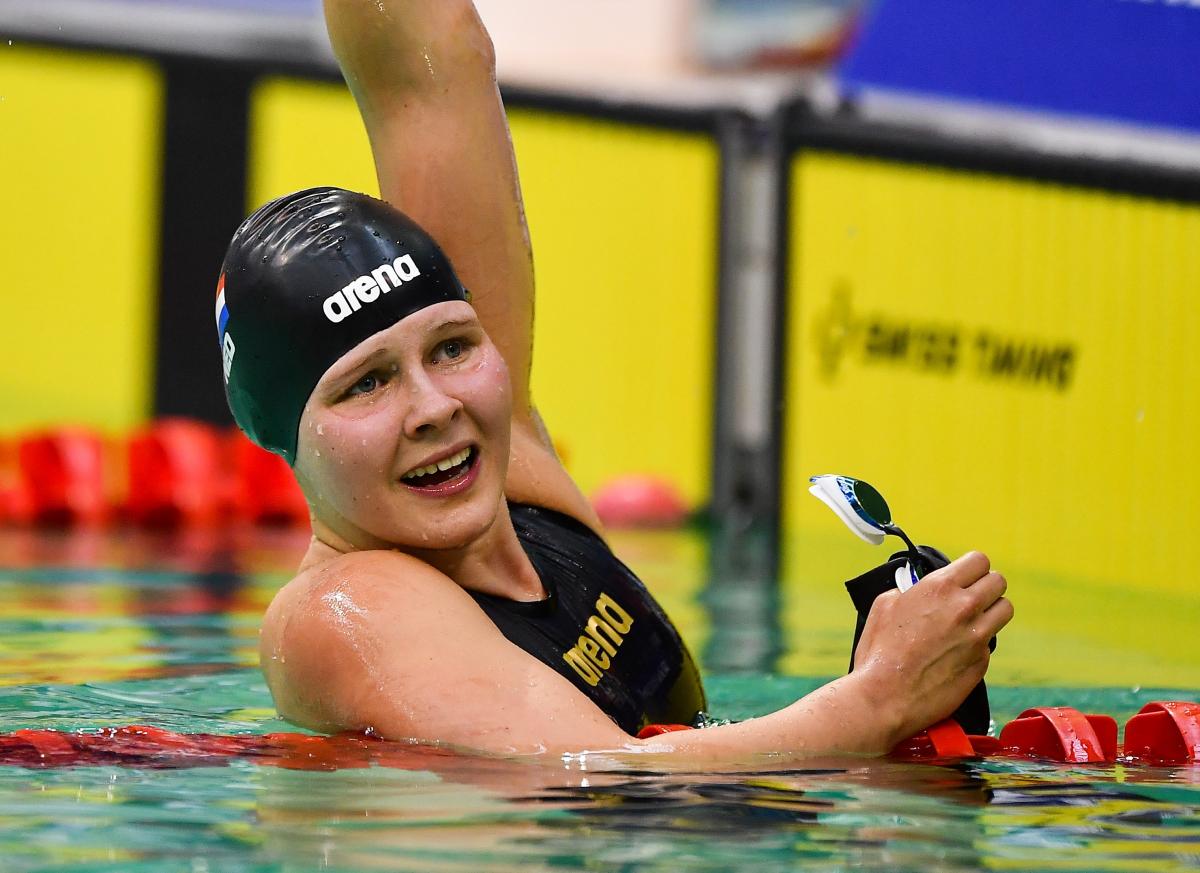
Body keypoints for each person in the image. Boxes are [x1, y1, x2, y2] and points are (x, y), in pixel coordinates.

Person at [217, 0, 1013, 759]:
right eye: (365, 384)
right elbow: (597, 775)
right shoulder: (338, 612)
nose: (435, 405)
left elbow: (429, 70)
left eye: (454, 347)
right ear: (286, 432)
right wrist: (877, 700)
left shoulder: (514, 472)